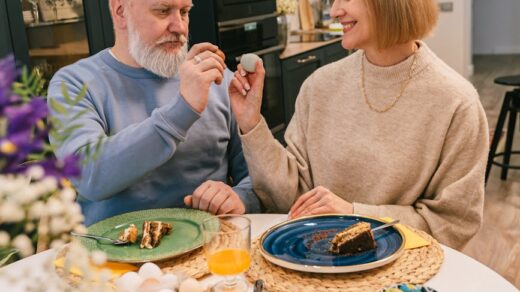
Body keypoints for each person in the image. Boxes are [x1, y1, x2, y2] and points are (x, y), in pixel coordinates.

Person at [229, 0, 488, 249]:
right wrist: (251, 121)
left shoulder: (457, 103)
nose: (334, 11)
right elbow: (290, 197)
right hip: (318, 261)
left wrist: (355, 215)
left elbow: (452, 224)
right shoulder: (319, 85)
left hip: (406, 272)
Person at [47, 0, 260, 226]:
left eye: (185, 12)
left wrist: (240, 198)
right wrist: (183, 109)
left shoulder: (215, 78)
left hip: (211, 250)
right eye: (163, 11)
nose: (180, 27)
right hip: (115, 256)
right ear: (120, 12)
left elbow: (258, 178)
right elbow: (89, 176)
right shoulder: (73, 84)